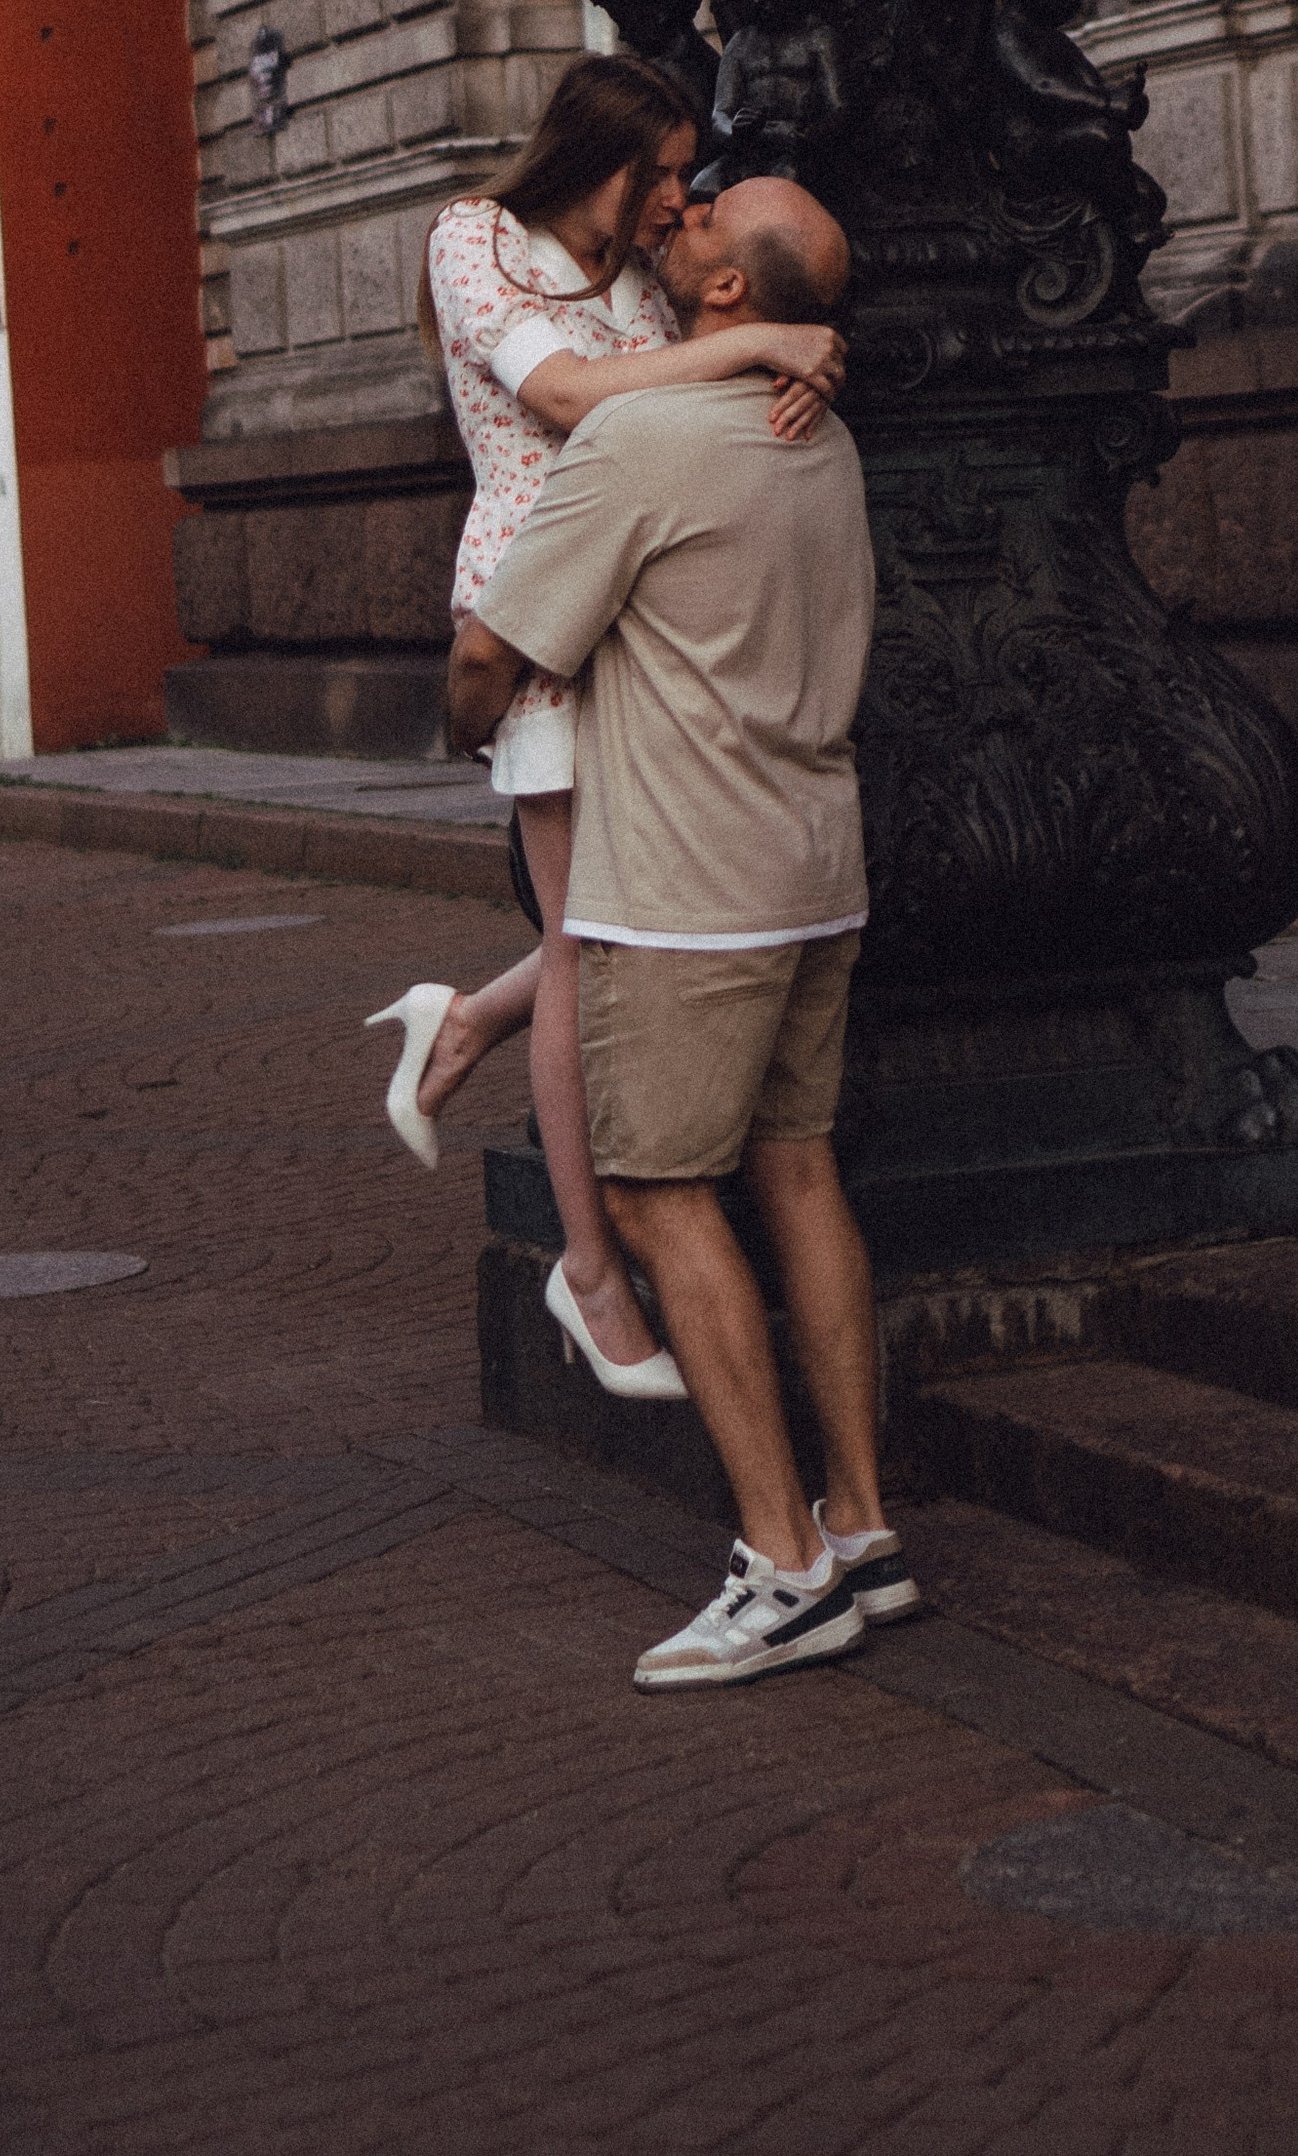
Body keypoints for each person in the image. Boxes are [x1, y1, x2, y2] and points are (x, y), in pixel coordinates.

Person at [449, 174, 918, 1690]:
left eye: (711, 214)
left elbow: (497, 645)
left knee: (656, 1193)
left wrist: (466, 722)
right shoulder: (821, 435)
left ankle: (783, 1567)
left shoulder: (640, 440)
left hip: (681, 890)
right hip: (815, 870)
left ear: (724, 294)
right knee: (800, 1172)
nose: (685, 207)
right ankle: (861, 1526)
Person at [365, 56, 846, 1401]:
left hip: (650, 623)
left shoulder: (645, 271)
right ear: (603, 155)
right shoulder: (476, 239)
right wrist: (759, 347)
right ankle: (588, 1270)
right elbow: (570, 396)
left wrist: (805, 363)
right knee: (588, 945)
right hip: (536, 616)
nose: (680, 199)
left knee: (621, 925)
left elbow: (716, 354)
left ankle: (464, 1021)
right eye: (667, 171)